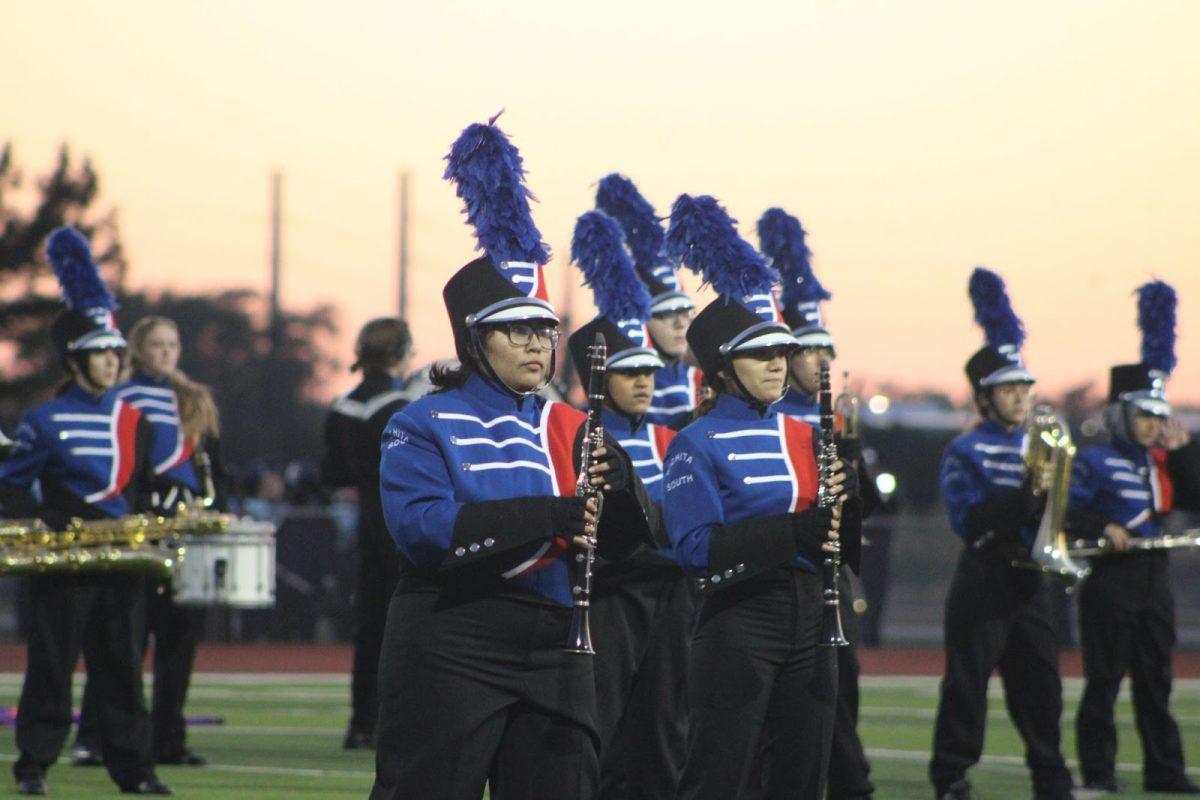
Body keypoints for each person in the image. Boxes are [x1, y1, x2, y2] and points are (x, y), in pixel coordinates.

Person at [369, 116, 656, 800]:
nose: (535, 344)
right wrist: (555, 514)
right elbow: (424, 530)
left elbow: (630, 546)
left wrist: (623, 505)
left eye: (543, 329)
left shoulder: (578, 425)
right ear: (474, 342)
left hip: (560, 643)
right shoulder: (421, 422)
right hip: (452, 638)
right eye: (514, 331)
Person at [661, 194, 859, 799]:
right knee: (719, 774)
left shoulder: (806, 433)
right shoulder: (692, 443)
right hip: (738, 618)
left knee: (802, 776)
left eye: (782, 351)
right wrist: (794, 533)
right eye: (761, 353)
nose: (779, 363)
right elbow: (697, 549)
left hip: (812, 612)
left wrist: (846, 513)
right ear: (723, 366)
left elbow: (836, 540)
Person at [0, 227, 172, 795]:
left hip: (122, 556)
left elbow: (143, 488)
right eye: (101, 353)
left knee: (123, 669)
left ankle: (134, 770)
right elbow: (12, 484)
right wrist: (43, 520)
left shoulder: (136, 422)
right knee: (52, 664)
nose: (112, 363)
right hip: (64, 557)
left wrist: (154, 526)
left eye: (116, 353)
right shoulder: (44, 421)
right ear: (76, 360)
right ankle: (33, 766)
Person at [928, 268, 1074, 800]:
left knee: (1042, 687)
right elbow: (968, 519)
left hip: (1032, 580)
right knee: (967, 685)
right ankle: (951, 776)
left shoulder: (1044, 444)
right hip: (986, 577)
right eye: (1008, 390)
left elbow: (1060, 511)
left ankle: (1050, 777)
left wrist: (1058, 506)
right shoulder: (965, 450)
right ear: (984, 398)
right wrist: (1027, 495)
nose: (1021, 398)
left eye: (1024, 388)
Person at [567, 210, 691, 800]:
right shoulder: (577, 437)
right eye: (629, 371)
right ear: (599, 378)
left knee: (663, 732)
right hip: (611, 596)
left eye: (649, 369)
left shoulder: (671, 440)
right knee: (600, 729)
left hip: (669, 599)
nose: (645, 380)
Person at [758, 207, 875, 800]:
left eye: (828, 349)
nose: (822, 361)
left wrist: (851, 454)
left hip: (832, 578)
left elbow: (867, 511)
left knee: (840, 692)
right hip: (780, 581)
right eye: (810, 350)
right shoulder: (773, 421)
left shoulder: (836, 419)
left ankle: (851, 786)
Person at [73, 314, 224, 768]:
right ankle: (97, 737)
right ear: (137, 350)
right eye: (156, 344)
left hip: (182, 529)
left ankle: (167, 739)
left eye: (172, 344)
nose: (165, 352)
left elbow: (212, 466)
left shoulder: (192, 400)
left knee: (179, 639)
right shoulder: (120, 397)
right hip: (138, 526)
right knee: (123, 638)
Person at [1068, 281, 1200, 795]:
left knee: (1156, 683)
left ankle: (1164, 772)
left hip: (1153, 579)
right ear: (1122, 412)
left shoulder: (1162, 461)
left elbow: (1193, 498)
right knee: (1103, 681)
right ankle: (1098, 774)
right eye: (1144, 415)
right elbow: (1069, 510)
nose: (1152, 425)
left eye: (1157, 415)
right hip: (1111, 579)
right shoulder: (1094, 458)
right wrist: (1104, 528)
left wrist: (1184, 451)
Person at [320, 317, 413, 749]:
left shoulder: (343, 405)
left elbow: (332, 472)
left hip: (365, 525)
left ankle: (361, 723)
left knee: (369, 627)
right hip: (396, 523)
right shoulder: (399, 406)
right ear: (397, 354)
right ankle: (397, 723)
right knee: (404, 628)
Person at [596, 174, 703, 428]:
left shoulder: (703, 383)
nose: (680, 323)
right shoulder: (617, 388)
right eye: (665, 314)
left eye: (684, 311)